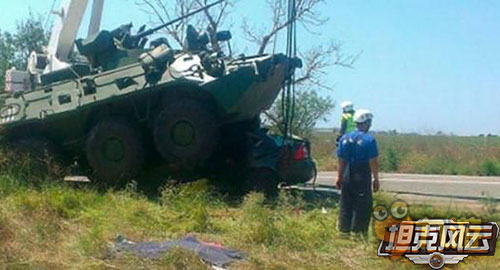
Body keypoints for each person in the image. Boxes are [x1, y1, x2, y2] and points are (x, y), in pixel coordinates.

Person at [335, 109, 380, 236]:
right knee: (362, 204)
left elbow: (341, 160)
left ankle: (344, 231)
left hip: (347, 173)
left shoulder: (344, 138)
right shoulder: (369, 140)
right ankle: (358, 232)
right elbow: (373, 161)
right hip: (361, 173)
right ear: (366, 123)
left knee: (346, 202)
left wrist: (339, 176)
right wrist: (375, 178)